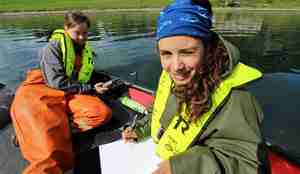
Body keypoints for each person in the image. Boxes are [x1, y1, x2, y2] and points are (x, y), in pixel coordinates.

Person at [122, 0, 268, 173]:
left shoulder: (237, 98)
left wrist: (182, 167)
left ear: (208, 49)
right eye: (166, 54)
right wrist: (140, 129)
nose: (176, 66)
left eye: (188, 52)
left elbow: (248, 165)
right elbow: (158, 110)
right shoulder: (170, 76)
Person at [10, 11, 112, 174]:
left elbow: (80, 78)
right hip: (40, 90)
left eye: (85, 33)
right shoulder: (51, 48)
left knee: (101, 113)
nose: (81, 37)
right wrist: (90, 89)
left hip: (68, 92)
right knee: (47, 150)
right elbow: (56, 82)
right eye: (77, 33)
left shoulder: (84, 50)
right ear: (66, 28)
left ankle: (55, 128)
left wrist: (94, 86)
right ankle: (34, 134)